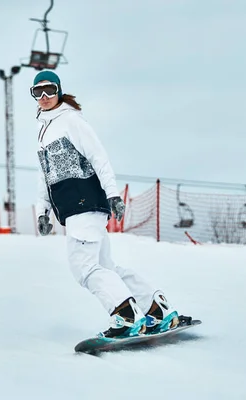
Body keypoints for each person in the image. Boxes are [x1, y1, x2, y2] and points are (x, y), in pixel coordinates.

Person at [31, 70, 179, 338]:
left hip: (82, 203)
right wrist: (42, 211)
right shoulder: (44, 131)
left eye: (49, 90)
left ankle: (125, 314)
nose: (44, 97)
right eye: (37, 92)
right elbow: (45, 175)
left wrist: (113, 194)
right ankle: (156, 309)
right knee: (106, 268)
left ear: (59, 91)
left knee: (84, 268)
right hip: (75, 208)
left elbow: (99, 157)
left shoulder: (70, 121)